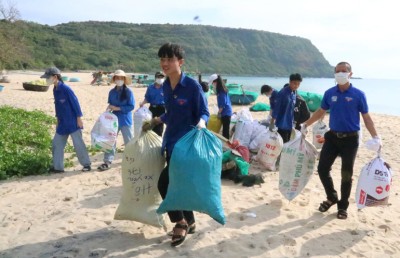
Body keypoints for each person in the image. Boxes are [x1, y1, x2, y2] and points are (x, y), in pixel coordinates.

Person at [143, 42, 209, 247]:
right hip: (170, 142)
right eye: (162, 59)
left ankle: (179, 222)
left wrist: (201, 123)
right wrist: (157, 120)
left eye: (169, 59)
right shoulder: (164, 85)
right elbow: (171, 113)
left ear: (180, 62)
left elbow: (204, 112)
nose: (165, 63)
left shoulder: (192, 86)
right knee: (179, 183)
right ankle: (190, 221)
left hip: (187, 145)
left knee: (165, 183)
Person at [301, 61, 380, 220]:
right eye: (338, 71)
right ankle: (332, 197)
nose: (340, 73)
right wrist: (305, 124)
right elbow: (320, 111)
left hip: (350, 140)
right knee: (322, 169)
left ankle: (342, 206)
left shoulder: (358, 94)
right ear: (334, 74)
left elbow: (366, 117)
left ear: (350, 74)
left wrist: (376, 137)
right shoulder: (330, 93)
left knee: (346, 175)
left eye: (344, 71)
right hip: (332, 137)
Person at [40, 67, 91, 173]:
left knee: (78, 144)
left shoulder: (66, 89)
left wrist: (79, 118)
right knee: (56, 144)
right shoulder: (55, 89)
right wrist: (58, 119)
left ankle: (86, 164)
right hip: (62, 122)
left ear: (55, 77)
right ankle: (58, 167)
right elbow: (58, 105)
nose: (46, 80)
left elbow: (75, 103)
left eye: (48, 77)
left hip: (73, 121)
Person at [97, 69, 135, 171]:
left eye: (121, 78)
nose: (119, 80)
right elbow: (110, 104)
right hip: (113, 120)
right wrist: (108, 109)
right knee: (110, 140)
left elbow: (131, 106)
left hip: (125, 119)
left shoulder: (128, 92)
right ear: (114, 79)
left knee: (129, 141)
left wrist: (118, 108)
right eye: (117, 78)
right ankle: (107, 161)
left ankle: (132, 160)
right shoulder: (112, 92)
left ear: (124, 79)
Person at [270, 73, 303, 143]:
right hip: (281, 124)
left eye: (298, 84)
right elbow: (276, 108)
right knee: (282, 143)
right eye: (294, 83)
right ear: (290, 82)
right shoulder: (282, 93)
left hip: (290, 123)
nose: (296, 86)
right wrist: (272, 122)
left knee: (288, 142)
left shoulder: (294, 93)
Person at [139, 71, 166, 136]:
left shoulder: (166, 87)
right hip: (152, 108)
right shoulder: (150, 87)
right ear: (155, 78)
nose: (160, 79)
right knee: (150, 125)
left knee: (159, 128)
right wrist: (143, 103)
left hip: (162, 109)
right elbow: (147, 98)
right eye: (158, 77)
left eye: (162, 77)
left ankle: (158, 143)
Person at [209, 74, 233, 139]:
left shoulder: (221, 91)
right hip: (225, 112)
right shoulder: (221, 90)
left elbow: (223, 103)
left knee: (225, 131)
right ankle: (225, 143)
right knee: (225, 130)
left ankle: (226, 145)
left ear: (216, 82)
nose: (213, 84)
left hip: (226, 113)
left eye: (213, 82)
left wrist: (219, 112)